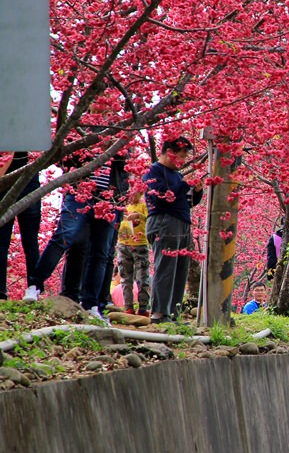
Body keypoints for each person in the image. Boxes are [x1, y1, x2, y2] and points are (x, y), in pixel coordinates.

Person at [23, 149, 127, 320]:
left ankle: (91, 304)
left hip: (109, 198)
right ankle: (35, 285)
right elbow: (63, 158)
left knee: (101, 252)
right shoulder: (86, 126)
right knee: (64, 235)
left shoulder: (122, 136)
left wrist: (117, 151)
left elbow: (127, 166)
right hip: (79, 191)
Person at [143, 136, 203, 323]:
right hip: (163, 221)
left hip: (181, 222)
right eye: (181, 157)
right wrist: (185, 184)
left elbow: (185, 202)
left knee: (180, 269)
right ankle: (159, 312)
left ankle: (173, 312)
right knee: (166, 268)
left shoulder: (177, 176)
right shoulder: (154, 171)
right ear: (170, 153)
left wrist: (197, 191)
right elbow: (162, 196)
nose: (183, 161)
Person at [0, 152, 41, 301]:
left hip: (23, 182)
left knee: (28, 240)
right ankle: (33, 287)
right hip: (12, 184)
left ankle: (33, 287)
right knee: (25, 241)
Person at [116, 186, 150, 315]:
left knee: (142, 277)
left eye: (134, 191)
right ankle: (128, 306)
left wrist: (139, 216)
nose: (131, 195)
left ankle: (143, 307)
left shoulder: (143, 206)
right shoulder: (121, 206)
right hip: (123, 245)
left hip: (140, 244)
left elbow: (150, 218)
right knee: (125, 277)